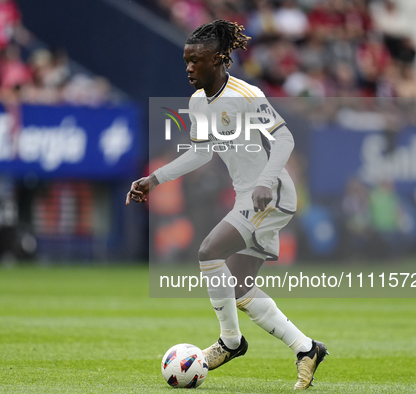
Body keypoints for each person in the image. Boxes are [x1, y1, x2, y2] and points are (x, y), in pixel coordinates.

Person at [126, 20, 327, 390]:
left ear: (218, 60)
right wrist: (155, 179)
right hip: (247, 195)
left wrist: (265, 181)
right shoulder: (198, 102)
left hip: (272, 193)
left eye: (196, 61)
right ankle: (307, 348)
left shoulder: (245, 94)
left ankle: (230, 343)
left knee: (208, 251)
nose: (188, 68)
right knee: (240, 290)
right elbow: (201, 153)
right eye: (186, 61)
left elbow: (284, 140)